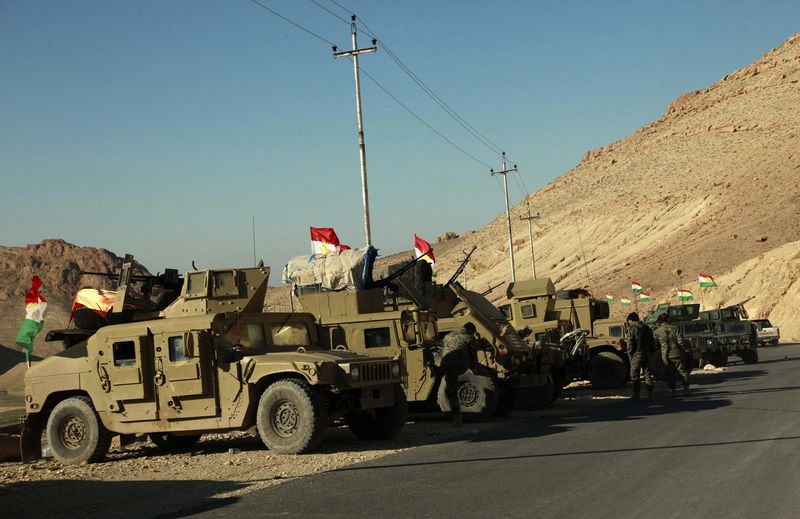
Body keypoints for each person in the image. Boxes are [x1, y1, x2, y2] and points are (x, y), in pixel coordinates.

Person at [440, 322, 477, 426]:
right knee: (452, 390)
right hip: (459, 365)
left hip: (446, 364)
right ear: (470, 331)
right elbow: (473, 354)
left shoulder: (449, 335)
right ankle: (457, 418)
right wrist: (474, 367)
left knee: (451, 389)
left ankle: (455, 416)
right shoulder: (468, 337)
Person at [653, 313, 691, 396]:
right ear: (668, 319)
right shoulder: (675, 328)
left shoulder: (656, 331)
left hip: (665, 356)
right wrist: (685, 349)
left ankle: (672, 391)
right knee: (683, 372)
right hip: (677, 353)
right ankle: (686, 390)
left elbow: (655, 344)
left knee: (670, 373)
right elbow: (680, 341)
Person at [625, 312, 657, 401]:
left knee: (635, 374)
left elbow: (630, 343)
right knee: (647, 374)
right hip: (647, 353)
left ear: (631, 320)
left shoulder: (632, 328)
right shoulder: (647, 328)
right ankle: (651, 394)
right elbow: (652, 342)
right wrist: (650, 352)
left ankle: (636, 395)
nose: (628, 323)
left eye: (629, 321)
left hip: (637, 354)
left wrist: (630, 354)